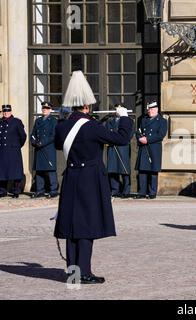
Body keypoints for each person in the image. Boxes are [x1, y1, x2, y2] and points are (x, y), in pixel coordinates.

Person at [54, 70, 133, 284]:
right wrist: (124, 117)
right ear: (87, 106)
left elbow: (58, 145)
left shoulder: (62, 126)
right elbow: (122, 138)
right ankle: (85, 272)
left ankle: (73, 272)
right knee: (86, 226)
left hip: (71, 178)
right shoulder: (92, 127)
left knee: (72, 226)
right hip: (90, 179)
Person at [134, 101, 168, 199]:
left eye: (152, 109)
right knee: (143, 171)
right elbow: (138, 131)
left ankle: (152, 192)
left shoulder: (162, 121)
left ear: (156, 109)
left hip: (154, 148)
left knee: (153, 171)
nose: (149, 111)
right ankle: (142, 192)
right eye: (149, 109)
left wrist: (147, 139)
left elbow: (161, 135)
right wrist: (140, 138)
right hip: (143, 147)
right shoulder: (144, 120)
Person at [30, 102, 59, 198]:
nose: (44, 110)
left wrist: (42, 143)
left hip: (48, 148)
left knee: (50, 170)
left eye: (46, 108)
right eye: (43, 108)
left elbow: (53, 135)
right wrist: (33, 141)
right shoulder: (38, 120)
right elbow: (33, 133)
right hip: (39, 149)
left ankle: (53, 190)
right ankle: (40, 190)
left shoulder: (53, 120)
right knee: (39, 170)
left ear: (50, 109)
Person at [104, 104, 133, 198]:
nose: (117, 110)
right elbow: (106, 133)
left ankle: (126, 191)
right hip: (112, 147)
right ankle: (114, 190)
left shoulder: (128, 120)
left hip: (122, 147)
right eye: (116, 108)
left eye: (119, 108)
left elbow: (130, 134)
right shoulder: (110, 121)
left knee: (124, 170)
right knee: (112, 170)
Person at [0, 105, 27, 198]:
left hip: (13, 151)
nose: (5, 113)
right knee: (2, 172)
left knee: (15, 171)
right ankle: (2, 191)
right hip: (2, 151)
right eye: (4, 111)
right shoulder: (0, 122)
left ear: (10, 112)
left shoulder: (17, 122)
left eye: (7, 111)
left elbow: (23, 136)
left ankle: (16, 191)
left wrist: (17, 146)